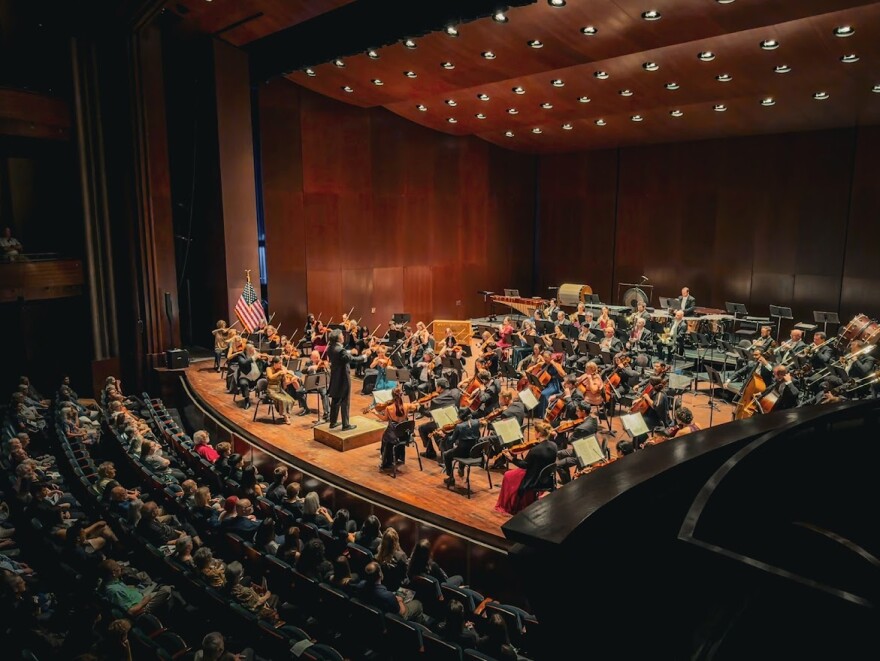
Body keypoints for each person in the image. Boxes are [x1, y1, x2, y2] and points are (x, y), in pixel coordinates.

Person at [494, 421, 558, 516]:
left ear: (539, 433)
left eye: (535, 432)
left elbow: (524, 465)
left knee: (508, 475)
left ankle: (509, 504)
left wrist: (511, 458)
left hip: (533, 477)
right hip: (545, 476)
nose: (534, 434)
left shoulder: (535, 450)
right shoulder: (554, 445)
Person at [327, 329, 369, 431]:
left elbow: (342, 354)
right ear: (338, 337)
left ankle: (332, 422)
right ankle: (345, 425)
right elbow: (351, 359)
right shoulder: (340, 350)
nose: (343, 336)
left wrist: (349, 351)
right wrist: (364, 357)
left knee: (336, 399)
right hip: (343, 377)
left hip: (335, 377)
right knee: (345, 400)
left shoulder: (330, 348)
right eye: (341, 335)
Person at [360, 561, 425, 624]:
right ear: (380, 574)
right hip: (391, 619)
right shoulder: (388, 596)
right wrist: (400, 601)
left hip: (373, 618)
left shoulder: (360, 586)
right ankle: (416, 628)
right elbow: (402, 613)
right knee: (418, 604)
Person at [369, 387, 418, 470]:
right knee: (392, 434)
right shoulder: (406, 406)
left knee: (385, 437)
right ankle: (400, 458)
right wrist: (416, 403)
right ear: (401, 395)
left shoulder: (389, 408)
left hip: (394, 435)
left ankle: (387, 461)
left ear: (392, 396)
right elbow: (415, 407)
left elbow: (384, 419)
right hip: (404, 435)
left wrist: (375, 413)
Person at [417, 378, 463, 459]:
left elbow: (429, 414)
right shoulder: (456, 391)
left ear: (440, 388)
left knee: (422, 428)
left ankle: (431, 452)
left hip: (443, 424)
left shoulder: (436, 400)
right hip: (456, 422)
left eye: (437, 387)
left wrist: (420, 409)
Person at [265, 356, 295, 424]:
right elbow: (271, 377)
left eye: (281, 363)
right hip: (271, 390)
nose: (281, 365)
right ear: (274, 364)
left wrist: (288, 377)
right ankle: (285, 416)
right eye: (279, 363)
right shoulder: (269, 369)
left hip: (279, 389)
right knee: (283, 400)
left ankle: (285, 413)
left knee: (291, 399)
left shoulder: (282, 369)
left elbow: (285, 383)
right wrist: (279, 372)